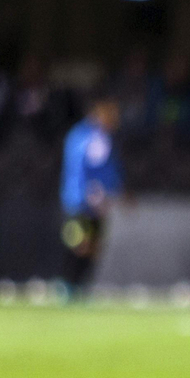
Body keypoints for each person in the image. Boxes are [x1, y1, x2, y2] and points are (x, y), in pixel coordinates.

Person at [59, 97, 124, 292]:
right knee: (81, 244)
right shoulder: (92, 138)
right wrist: (94, 193)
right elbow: (87, 169)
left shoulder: (84, 135)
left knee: (92, 247)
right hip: (82, 202)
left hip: (86, 201)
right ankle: (69, 286)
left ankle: (78, 287)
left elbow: (109, 171)